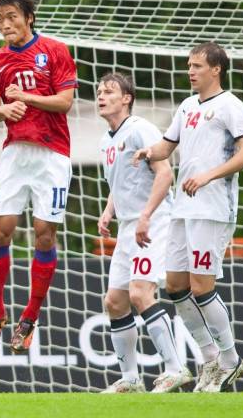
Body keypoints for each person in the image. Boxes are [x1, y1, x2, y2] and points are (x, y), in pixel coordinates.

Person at [133, 42, 243, 393]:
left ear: (216, 69)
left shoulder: (231, 106)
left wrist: (207, 176)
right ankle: (210, 358)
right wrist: (148, 151)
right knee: (175, 285)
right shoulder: (187, 106)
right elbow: (166, 146)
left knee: (202, 286)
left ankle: (230, 359)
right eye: (189, 65)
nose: (191, 71)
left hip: (212, 208)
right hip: (183, 209)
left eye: (198, 65)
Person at [0, 0, 77, 353]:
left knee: (44, 235)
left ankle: (30, 317)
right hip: (15, 154)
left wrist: (26, 98)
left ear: (29, 18)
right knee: (0, 231)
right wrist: (5, 110)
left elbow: (65, 102)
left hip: (52, 156)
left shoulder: (55, 50)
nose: (5, 24)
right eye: (0, 19)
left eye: (12, 17)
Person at [96, 73, 193, 393]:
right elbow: (120, 182)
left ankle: (176, 368)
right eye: (99, 91)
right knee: (114, 301)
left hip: (154, 222)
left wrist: (146, 216)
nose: (101, 96)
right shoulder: (106, 139)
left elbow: (165, 174)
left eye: (109, 92)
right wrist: (109, 210)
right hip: (128, 226)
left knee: (140, 293)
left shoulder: (140, 129)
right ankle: (130, 379)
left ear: (126, 98)